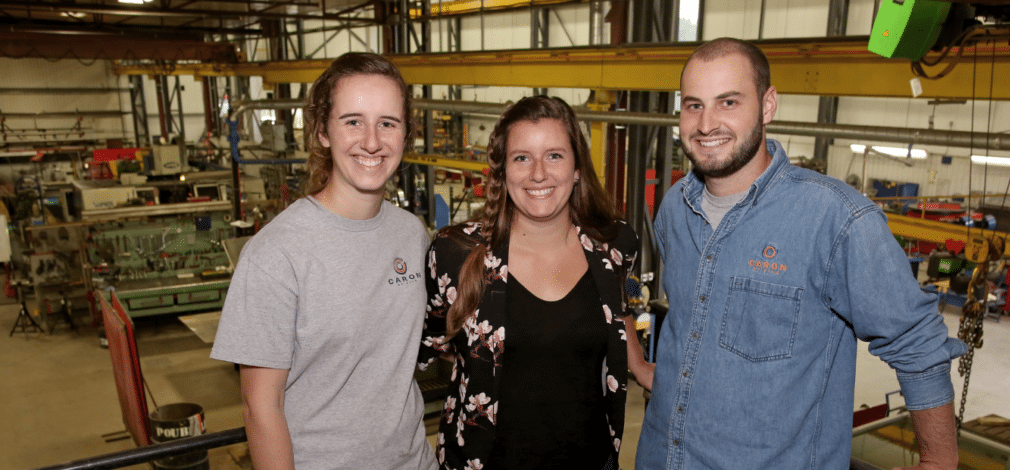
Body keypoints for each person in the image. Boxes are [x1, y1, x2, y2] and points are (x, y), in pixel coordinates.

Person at [636, 38, 967, 470]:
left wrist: (939, 461)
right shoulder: (675, 209)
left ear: (768, 105)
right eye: (693, 105)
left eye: (729, 102)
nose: (706, 123)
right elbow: (689, 331)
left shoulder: (837, 220)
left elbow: (916, 341)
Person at [210, 52, 436, 470]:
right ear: (322, 131)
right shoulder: (276, 254)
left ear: (406, 134)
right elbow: (260, 408)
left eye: (388, 123)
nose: (372, 141)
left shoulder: (411, 233)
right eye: (353, 121)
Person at [418, 95, 654, 470]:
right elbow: (433, 339)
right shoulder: (455, 253)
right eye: (522, 158)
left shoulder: (615, 244)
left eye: (554, 155)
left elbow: (620, 306)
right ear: (502, 172)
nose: (539, 174)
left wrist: (638, 364)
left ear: (577, 168)